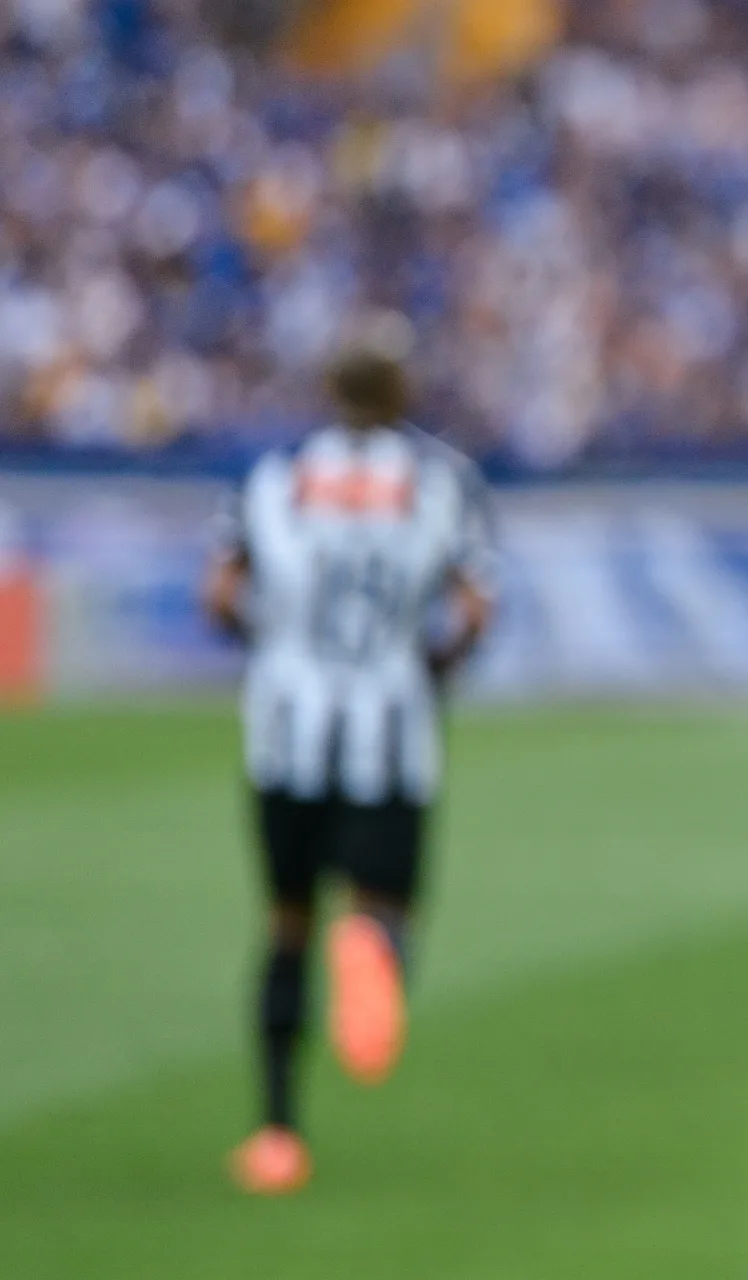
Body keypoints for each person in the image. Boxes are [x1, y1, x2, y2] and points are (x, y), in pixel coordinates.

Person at [205, 345, 495, 1195]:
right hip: (392, 724)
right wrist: (436, 665)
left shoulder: (278, 474)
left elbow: (219, 594)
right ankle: (370, 948)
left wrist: (267, 651)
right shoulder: (440, 479)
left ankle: (276, 1133)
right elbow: (476, 606)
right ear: (402, 393)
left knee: (285, 923)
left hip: (284, 726)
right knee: (386, 908)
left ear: (328, 391)